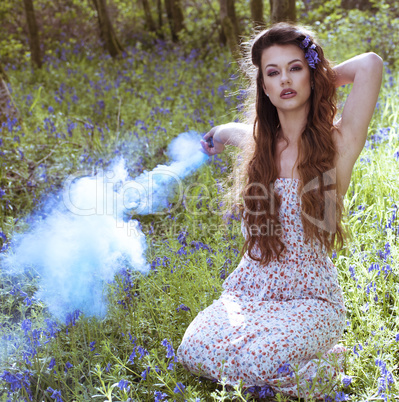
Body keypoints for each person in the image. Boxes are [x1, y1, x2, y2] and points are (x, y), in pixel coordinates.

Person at [177, 23, 383, 400]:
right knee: (192, 349)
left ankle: (329, 362)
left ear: (310, 73)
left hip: (311, 299)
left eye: (295, 68)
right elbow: (236, 133)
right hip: (249, 291)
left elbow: (370, 64)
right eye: (273, 73)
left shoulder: (338, 143)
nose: (285, 80)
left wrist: (319, 77)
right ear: (264, 88)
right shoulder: (259, 148)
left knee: (259, 360)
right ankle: (283, 375)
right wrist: (219, 132)